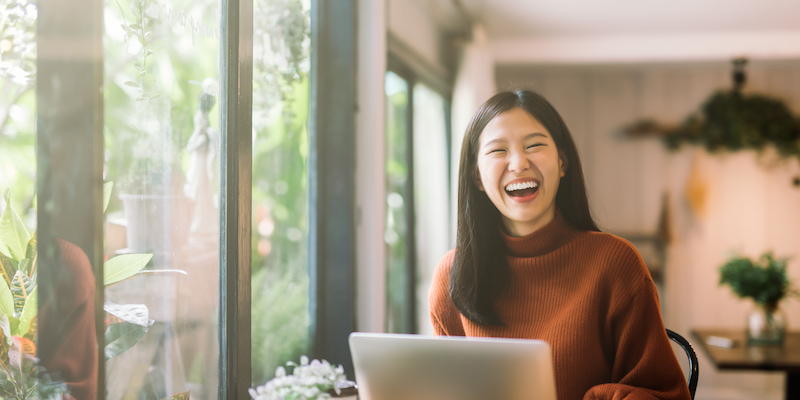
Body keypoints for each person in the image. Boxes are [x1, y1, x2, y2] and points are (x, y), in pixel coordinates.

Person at [428, 89, 690, 400]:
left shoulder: (615, 263)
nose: (518, 163)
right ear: (477, 177)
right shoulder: (453, 275)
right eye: (498, 151)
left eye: (534, 145)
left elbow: (665, 395)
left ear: (563, 162)